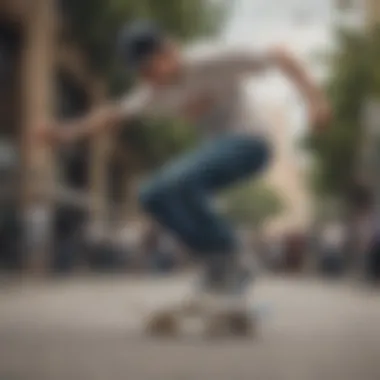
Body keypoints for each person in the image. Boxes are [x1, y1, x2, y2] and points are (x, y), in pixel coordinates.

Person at [38, 21, 331, 305]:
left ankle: (232, 254)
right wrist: (65, 133)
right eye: (142, 73)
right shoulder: (154, 93)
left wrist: (314, 101)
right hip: (219, 151)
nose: (149, 79)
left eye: (151, 68)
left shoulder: (210, 59)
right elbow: (113, 114)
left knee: (180, 181)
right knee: (152, 195)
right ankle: (218, 261)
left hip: (252, 144)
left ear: (169, 51)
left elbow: (280, 54)